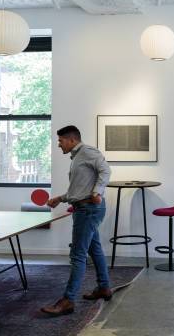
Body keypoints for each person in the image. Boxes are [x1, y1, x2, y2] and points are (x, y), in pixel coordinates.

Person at [41, 125, 112, 316]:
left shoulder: (87, 152)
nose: (59, 145)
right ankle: (104, 288)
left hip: (88, 210)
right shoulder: (77, 158)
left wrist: (98, 191)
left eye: (60, 141)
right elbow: (78, 189)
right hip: (85, 208)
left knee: (77, 255)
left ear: (72, 140)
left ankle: (68, 301)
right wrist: (60, 198)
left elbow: (105, 170)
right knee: (94, 249)